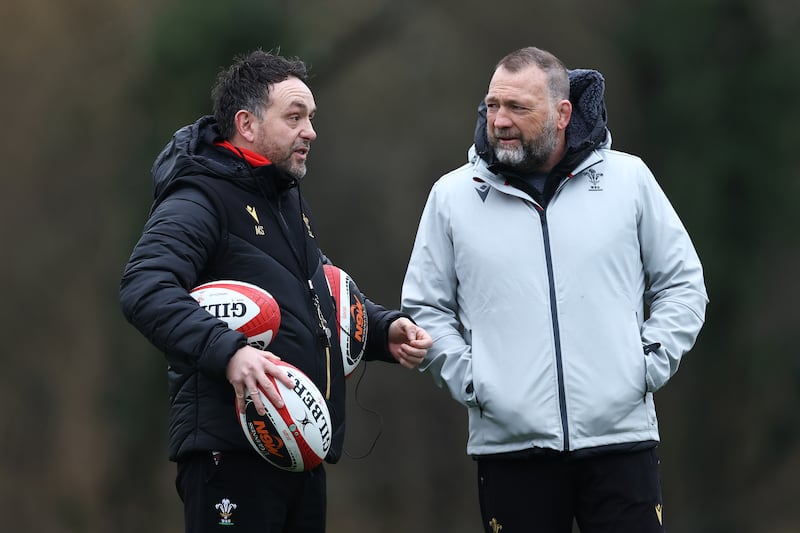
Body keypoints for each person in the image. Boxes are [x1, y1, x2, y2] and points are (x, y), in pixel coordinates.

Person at [119, 49, 432, 533]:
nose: (310, 131)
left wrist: (381, 329)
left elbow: (313, 290)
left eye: (311, 117)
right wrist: (229, 353)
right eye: (295, 117)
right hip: (232, 454)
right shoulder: (200, 196)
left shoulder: (283, 198)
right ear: (246, 123)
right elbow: (144, 286)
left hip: (298, 453)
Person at [401, 46, 708, 533]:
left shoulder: (629, 180)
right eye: (492, 105)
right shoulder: (452, 197)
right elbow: (425, 307)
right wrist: (474, 381)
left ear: (562, 113)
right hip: (510, 451)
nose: (499, 120)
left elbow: (683, 283)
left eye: (517, 108)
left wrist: (645, 363)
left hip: (621, 444)